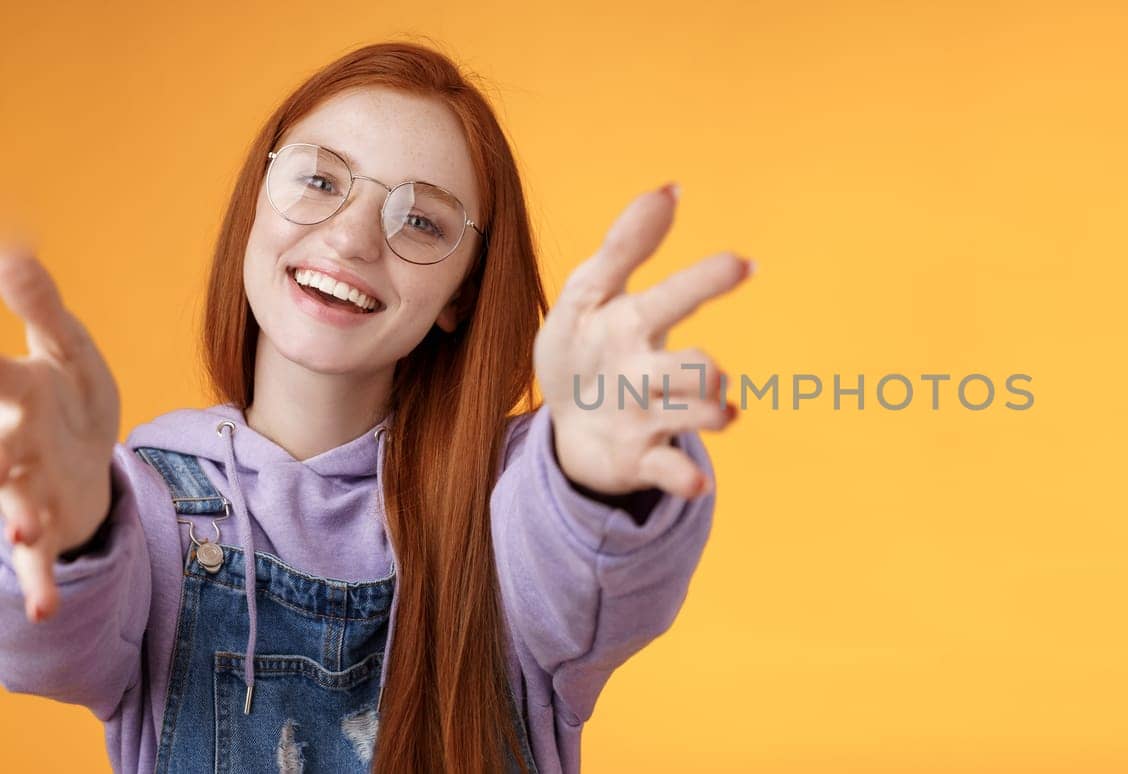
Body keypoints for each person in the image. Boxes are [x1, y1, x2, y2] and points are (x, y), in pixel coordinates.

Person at [0, 41, 748, 773]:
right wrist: (71, 528)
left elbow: (588, 583)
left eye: (422, 221)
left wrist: (592, 478)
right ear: (256, 203)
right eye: (320, 181)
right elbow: (41, 647)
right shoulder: (152, 507)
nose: (353, 237)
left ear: (460, 293)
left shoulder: (506, 506)